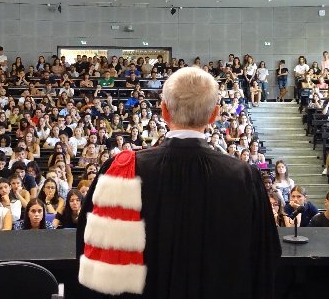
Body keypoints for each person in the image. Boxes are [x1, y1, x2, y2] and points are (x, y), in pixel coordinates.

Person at [77, 66, 280, 299]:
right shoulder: (244, 177)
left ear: (164, 111)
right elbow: (265, 260)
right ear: (214, 115)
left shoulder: (122, 170)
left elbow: (95, 260)